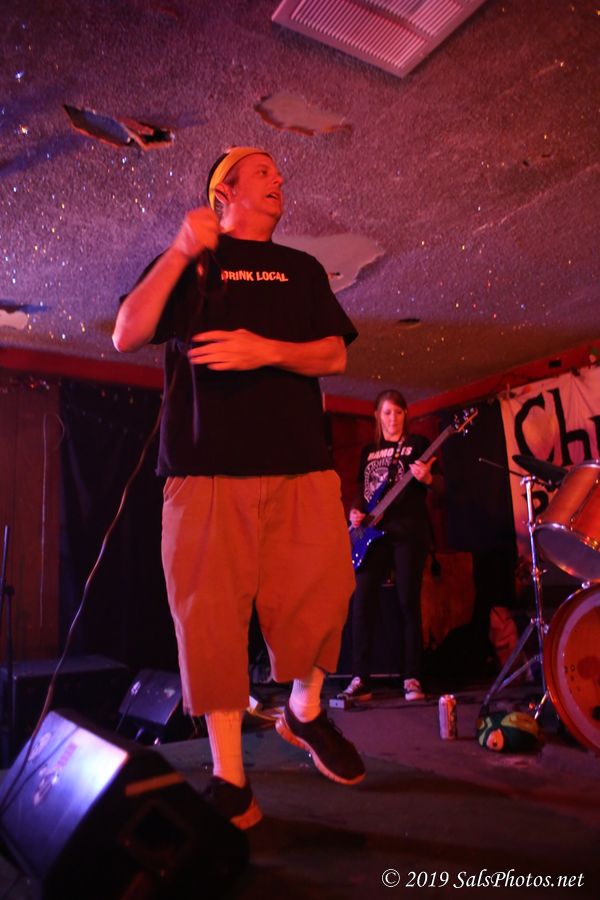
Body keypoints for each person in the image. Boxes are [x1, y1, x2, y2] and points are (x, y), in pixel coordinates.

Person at [112, 146, 364, 830]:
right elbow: (127, 332)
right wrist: (178, 249)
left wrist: (264, 349)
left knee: (326, 593)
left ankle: (305, 711)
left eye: (277, 174)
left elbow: (335, 352)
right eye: (262, 171)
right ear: (223, 190)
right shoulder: (191, 263)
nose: (278, 179)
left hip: (299, 467)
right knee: (210, 623)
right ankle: (230, 781)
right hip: (204, 471)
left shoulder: (301, 268)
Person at [340, 389, 436, 703]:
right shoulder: (369, 451)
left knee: (407, 600)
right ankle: (360, 678)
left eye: (397, 412)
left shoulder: (418, 445)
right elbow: (363, 490)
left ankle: (412, 677)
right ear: (377, 417)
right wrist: (355, 511)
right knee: (362, 601)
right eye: (386, 412)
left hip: (408, 533)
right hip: (372, 534)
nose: (392, 418)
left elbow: (443, 486)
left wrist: (427, 479)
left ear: (405, 414)